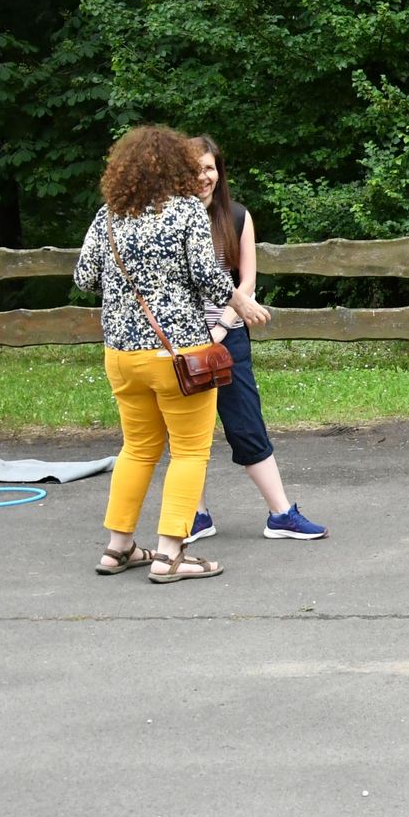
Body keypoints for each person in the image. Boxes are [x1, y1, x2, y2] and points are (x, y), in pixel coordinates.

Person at [73, 126, 269, 583]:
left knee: (137, 449)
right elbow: (208, 277)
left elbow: (84, 277)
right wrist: (239, 301)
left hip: (121, 355)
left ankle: (118, 548)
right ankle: (169, 556)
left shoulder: (108, 215)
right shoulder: (185, 211)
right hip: (178, 354)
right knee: (189, 451)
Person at [183, 136, 326, 543]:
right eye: (195, 169)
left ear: (219, 172)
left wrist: (223, 325)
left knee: (246, 423)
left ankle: (281, 514)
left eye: (209, 168)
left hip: (228, 339)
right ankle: (195, 515)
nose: (203, 177)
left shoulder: (237, 216)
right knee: (186, 432)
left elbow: (246, 282)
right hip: (182, 342)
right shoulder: (169, 220)